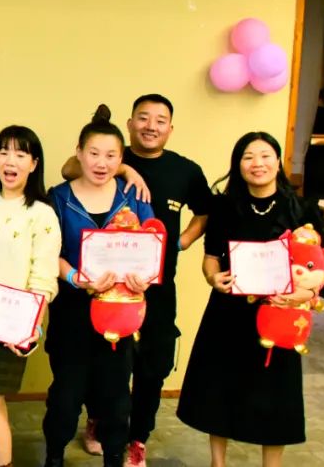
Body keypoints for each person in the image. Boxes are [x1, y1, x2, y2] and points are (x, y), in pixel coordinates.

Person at [64, 94, 211, 466]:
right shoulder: (111, 155)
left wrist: (181, 241)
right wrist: (125, 169)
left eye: (160, 120)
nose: (151, 126)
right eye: (143, 118)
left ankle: (138, 437)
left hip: (157, 288)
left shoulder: (186, 170)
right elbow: (68, 168)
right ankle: (98, 421)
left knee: (152, 365)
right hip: (106, 287)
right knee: (104, 360)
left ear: (170, 128)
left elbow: (206, 212)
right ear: (130, 124)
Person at [176, 132, 323, 467]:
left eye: (265, 155)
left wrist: (303, 294)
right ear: (238, 165)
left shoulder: (301, 209)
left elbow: (318, 267)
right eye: (248, 157)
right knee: (219, 389)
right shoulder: (224, 207)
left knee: (276, 395)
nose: (258, 163)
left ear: (278, 162)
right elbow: (211, 258)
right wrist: (213, 278)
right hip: (228, 312)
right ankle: (217, 462)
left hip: (279, 316)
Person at [42, 105, 155, 467]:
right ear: (78, 153)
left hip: (120, 311)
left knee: (115, 396)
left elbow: (151, 247)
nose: (101, 163)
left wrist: (143, 279)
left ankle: (113, 457)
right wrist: (76, 278)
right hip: (72, 310)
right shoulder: (58, 198)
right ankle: (54, 457)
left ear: (121, 160)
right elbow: (48, 252)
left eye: (110, 156)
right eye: (93, 153)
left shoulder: (133, 197)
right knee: (65, 395)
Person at [0, 126, 60, 467]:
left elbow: (43, 277)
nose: (10, 160)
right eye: (3, 152)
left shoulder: (42, 213)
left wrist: (29, 328)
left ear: (33, 164)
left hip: (11, 327)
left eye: (21, 154)